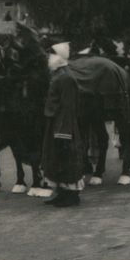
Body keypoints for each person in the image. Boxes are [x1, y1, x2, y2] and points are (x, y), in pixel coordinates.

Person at [41, 52, 85, 207]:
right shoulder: (59, 76)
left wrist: (63, 131)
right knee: (56, 158)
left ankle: (72, 195)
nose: (48, 59)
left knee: (67, 157)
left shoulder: (66, 78)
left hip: (63, 125)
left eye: (51, 56)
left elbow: (67, 106)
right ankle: (61, 193)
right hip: (55, 123)